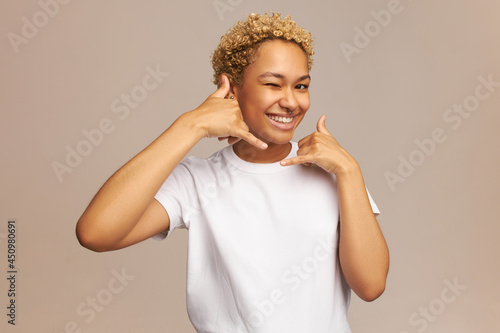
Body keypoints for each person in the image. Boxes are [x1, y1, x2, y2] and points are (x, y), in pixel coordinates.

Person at [76, 12, 389, 333]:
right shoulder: (196, 181)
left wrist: (350, 171)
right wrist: (191, 124)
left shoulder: (333, 171)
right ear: (233, 89)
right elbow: (96, 233)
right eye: (272, 84)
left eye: (301, 85)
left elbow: (371, 285)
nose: (291, 101)